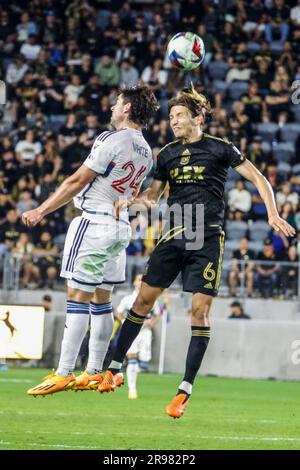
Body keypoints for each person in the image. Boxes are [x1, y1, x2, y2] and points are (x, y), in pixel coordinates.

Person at [99, 85, 295, 419]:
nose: (173, 121)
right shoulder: (168, 153)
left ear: (198, 118)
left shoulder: (220, 148)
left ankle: (184, 391)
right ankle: (112, 367)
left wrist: (273, 213)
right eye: (172, 116)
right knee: (142, 301)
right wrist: (133, 201)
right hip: (173, 234)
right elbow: (154, 195)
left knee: (198, 313)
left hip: (206, 238)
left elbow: (259, 177)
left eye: (180, 116)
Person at [22, 85, 159, 396]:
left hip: (94, 221)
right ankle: (95, 370)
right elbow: (137, 195)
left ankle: (63, 372)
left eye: (117, 103)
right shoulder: (146, 151)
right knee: (102, 299)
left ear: (127, 109)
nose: (112, 107)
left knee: (77, 295)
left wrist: (42, 209)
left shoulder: (111, 139)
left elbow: (78, 180)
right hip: (120, 227)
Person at [116, 273, 160, 399]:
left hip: (145, 331)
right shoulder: (127, 299)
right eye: (139, 280)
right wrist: (124, 322)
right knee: (132, 359)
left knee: (145, 359)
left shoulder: (152, 298)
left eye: (143, 280)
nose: (140, 282)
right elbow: (119, 312)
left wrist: (152, 323)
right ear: (135, 282)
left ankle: (138, 366)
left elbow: (157, 314)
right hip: (130, 331)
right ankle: (132, 389)